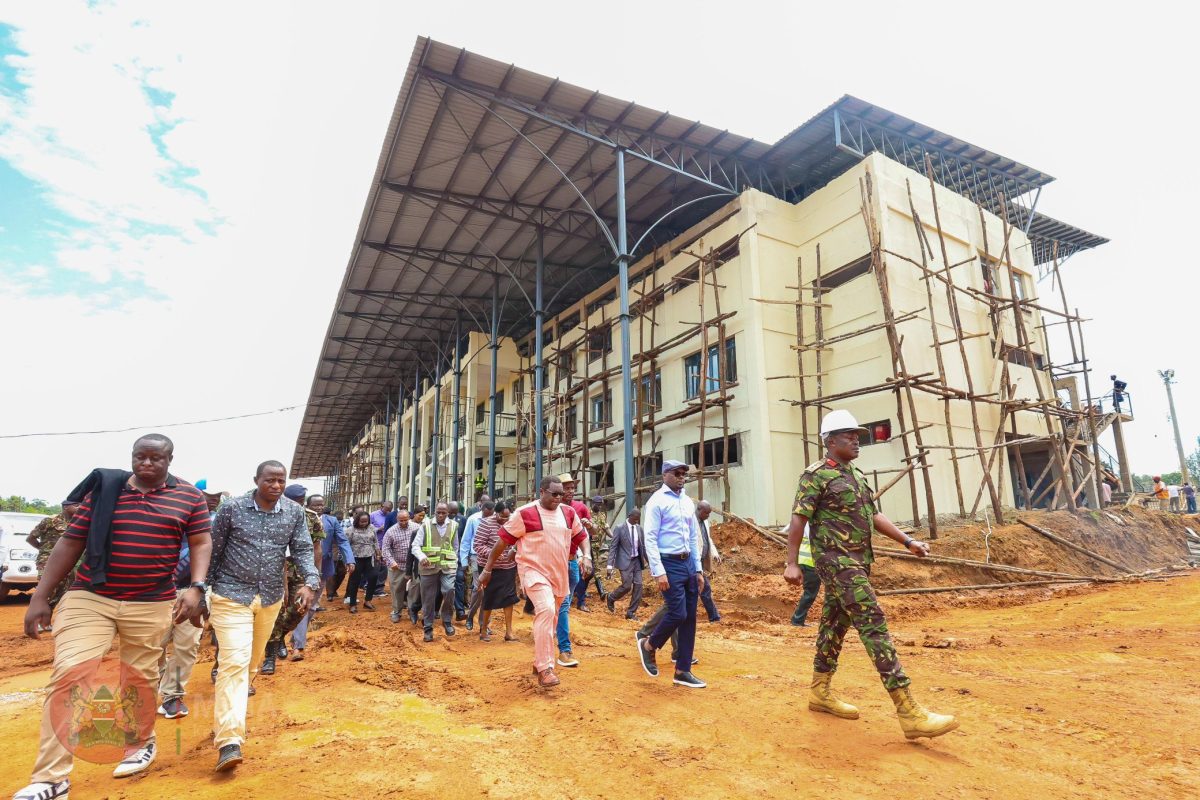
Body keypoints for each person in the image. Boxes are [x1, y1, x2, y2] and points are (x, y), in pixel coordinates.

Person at [14, 435, 212, 800]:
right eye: (140, 457)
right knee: (70, 674)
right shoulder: (106, 490)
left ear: (170, 459)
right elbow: (71, 541)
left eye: (155, 458)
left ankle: (140, 741)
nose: (146, 464)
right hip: (91, 596)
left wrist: (197, 586)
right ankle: (51, 779)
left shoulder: (189, 497)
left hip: (151, 602)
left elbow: (200, 542)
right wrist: (40, 596)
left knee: (139, 678)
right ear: (132, 457)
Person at [784, 409, 957, 740]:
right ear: (829, 441)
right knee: (872, 621)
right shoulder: (815, 475)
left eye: (857, 436)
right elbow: (798, 519)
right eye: (849, 436)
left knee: (834, 625)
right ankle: (908, 711)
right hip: (835, 561)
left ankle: (819, 692)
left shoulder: (856, 475)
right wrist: (791, 563)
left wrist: (908, 541)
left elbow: (874, 515)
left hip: (858, 560)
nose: (856, 441)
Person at [207, 460, 319, 772]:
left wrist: (310, 581)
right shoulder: (232, 509)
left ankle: (226, 716)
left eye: (281, 480)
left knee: (251, 664)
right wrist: (202, 590)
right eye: (270, 480)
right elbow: (214, 550)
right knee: (234, 662)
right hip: (230, 594)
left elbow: (302, 550)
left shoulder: (293, 512)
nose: (276, 486)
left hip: (269, 597)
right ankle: (229, 740)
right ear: (256, 480)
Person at [480, 477, 585, 688]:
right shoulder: (524, 513)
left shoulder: (568, 513)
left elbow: (581, 536)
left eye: (561, 494)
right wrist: (487, 569)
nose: (559, 497)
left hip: (559, 574)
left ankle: (539, 661)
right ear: (542, 492)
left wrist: (587, 556)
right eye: (554, 494)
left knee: (552, 617)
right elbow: (503, 541)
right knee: (546, 609)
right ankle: (546, 668)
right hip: (533, 571)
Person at [634, 461, 706, 689]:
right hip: (669, 563)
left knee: (690, 618)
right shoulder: (656, 501)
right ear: (665, 475)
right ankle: (648, 644)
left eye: (684, 474)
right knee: (677, 612)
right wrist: (658, 571)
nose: (682, 477)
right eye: (677, 473)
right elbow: (650, 538)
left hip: (688, 563)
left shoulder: (687, 502)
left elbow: (692, 537)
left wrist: (698, 569)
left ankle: (683, 671)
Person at [156, 485, 225, 720]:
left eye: (217, 496)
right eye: (209, 495)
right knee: (154, 645)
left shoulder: (218, 523)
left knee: (186, 646)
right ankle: (161, 679)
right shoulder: (172, 515)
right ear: (197, 494)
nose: (213, 500)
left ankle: (172, 695)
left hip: (194, 591)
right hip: (157, 592)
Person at [261, 484, 324, 673]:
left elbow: (317, 548)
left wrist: (315, 574)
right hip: (275, 571)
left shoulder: (311, 517)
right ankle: (269, 657)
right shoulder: (273, 514)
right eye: (295, 501)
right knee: (275, 611)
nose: (298, 504)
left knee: (299, 610)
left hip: (302, 572)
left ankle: (280, 635)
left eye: (301, 501)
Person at [289, 494, 336, 660]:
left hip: (319, 569)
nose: (319, 507)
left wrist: (316, 572)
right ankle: (298, 646)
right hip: (294, 570)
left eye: (321, 504)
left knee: (312, 607)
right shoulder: (293, 518)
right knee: (302, 606)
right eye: (315, 505)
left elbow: (321, 547)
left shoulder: (326, 521)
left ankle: (294, 638)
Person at [554, 473, 594, 667]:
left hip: (572, 562)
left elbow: (589, 533)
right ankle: (565, 648)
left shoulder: (579, 508)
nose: (570, 491)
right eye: (566, 488)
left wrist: (586, 555)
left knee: (564, 605)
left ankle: (554, 629)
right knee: (562, 605)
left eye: (572, 488)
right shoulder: (551, 510)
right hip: (556, 563)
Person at [412, 502, 460, 642]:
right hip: (428, 567)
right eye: (438, 512)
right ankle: (428, 628)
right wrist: (422, 557)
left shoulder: (454, 526)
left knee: (449, 590)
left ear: (448, 513)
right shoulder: (425, 525)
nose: (440, 515)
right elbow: (415, 546)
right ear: (434, 512)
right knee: (428, 598)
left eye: (443, 513)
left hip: (447, 566)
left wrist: (454, 561)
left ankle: (447, 620)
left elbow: (455, 546)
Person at [473, 501, 519, 642]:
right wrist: (494, 553)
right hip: (489, 568)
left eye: (507, 516)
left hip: (508, 567)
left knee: (509, 598)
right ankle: (483, 630)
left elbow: (518, 541)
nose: (504, 519)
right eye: (502, 516)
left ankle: (509, 632)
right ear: (496, 513)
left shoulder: (513, 523)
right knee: (489, 598)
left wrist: (513, 551)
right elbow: (477, 545)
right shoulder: (486, 524)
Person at [24, 500, 82, 611]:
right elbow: (30, 538)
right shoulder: (50, 521)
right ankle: (40, 617)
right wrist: (44, 550)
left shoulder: (78, 522)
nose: (79, 507)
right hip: (47, 561)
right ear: (65, 507)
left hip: (68, 563)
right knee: (47, 592)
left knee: (65, 593)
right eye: (76, 505)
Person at [461, 500, 496, 631]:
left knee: (488, 591)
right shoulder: (473, 519)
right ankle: (470, 617)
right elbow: (466, 540)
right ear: (481, 509)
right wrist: (464, 561)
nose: (488, 518)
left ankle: (483, 624)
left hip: (492, 558)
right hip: (476, 557)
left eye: (490, 515)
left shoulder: (496, 520)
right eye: (485, 515)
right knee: (478, 589)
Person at [381, 509, 420, 624]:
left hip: (414, 565)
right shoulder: (391, 531)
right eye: (401, 520)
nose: (403, 522)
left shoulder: (417, 528)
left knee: (415, 587)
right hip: (397, 566)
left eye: (405, 520)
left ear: (409, 518)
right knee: (397, 589)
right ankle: (397, 611)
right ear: (397, 519)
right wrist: (391, 562)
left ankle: (412, 610)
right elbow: (385, 549)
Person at [606, 510, 646, 618]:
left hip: (637, 561)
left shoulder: (639, 529)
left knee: (639, 585)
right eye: (635, 518)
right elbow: (613, 547)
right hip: (624, 561)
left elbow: (643, 547)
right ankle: (611, 597)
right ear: (629, 516)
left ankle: (631, 612)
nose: (637, 520)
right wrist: (609, 565)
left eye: (638, 518)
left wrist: (651, 562)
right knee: (627, 586)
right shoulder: (619, 528)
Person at [573, 496, 610, 611]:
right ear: (592, 503)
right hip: (586, 546)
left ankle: (579, 592)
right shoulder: (586, 513)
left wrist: (615, 538)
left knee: (589, 572)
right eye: (597, 504)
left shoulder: (602, 515)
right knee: (591, 570)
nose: (599, 506)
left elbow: (605, 528)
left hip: (595, 547)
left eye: (600, 504)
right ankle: (599, 592)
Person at [344, 511, 380, 614]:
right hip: (356, 558)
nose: (364, 523)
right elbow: (345, 545)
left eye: (366, 521)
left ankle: (368, 601)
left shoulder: (371, 528)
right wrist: (347, 560)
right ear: (357, 521)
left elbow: (375, 541)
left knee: (373, 577)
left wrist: (378, 553)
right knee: (355, 581)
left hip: (369, 557)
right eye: (362, 521)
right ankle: (352, 604)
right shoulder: (350, 530)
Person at [788, 524, 821, 627]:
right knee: (810, 593)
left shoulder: (806, 523)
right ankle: (797, 620)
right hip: (810, 562)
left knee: (810, 593)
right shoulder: (814, 523)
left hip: (807, 561)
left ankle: (798, 619)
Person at [695, 500, 722, 622]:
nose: (708, 516)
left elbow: (708, 539)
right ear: (699, 510)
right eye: (706, 513)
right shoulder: (691, 522)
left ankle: (714, 616)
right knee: (704, 588)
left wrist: (715, 553)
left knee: (704, 588)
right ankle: (714, 617)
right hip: (693, 561)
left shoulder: (704, 522)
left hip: (701, 561)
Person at [322, 507, 353, 601]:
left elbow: (344, 540)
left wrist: (349, 558)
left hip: (343, 551)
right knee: (331, 573)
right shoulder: (326, 522)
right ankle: (330, 594)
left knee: (342, 572)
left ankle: (333, 590)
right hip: (332, 550)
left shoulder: (347, 523)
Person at [449, 500, 469, 620]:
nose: (453, 515)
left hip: (458, 555)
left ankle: (460, 611)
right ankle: (435, 609)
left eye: (455, 513)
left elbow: (465, 538)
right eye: (451, 513)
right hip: (443, 557)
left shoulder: (463, 520)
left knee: (459, 579)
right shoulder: (440, 520)